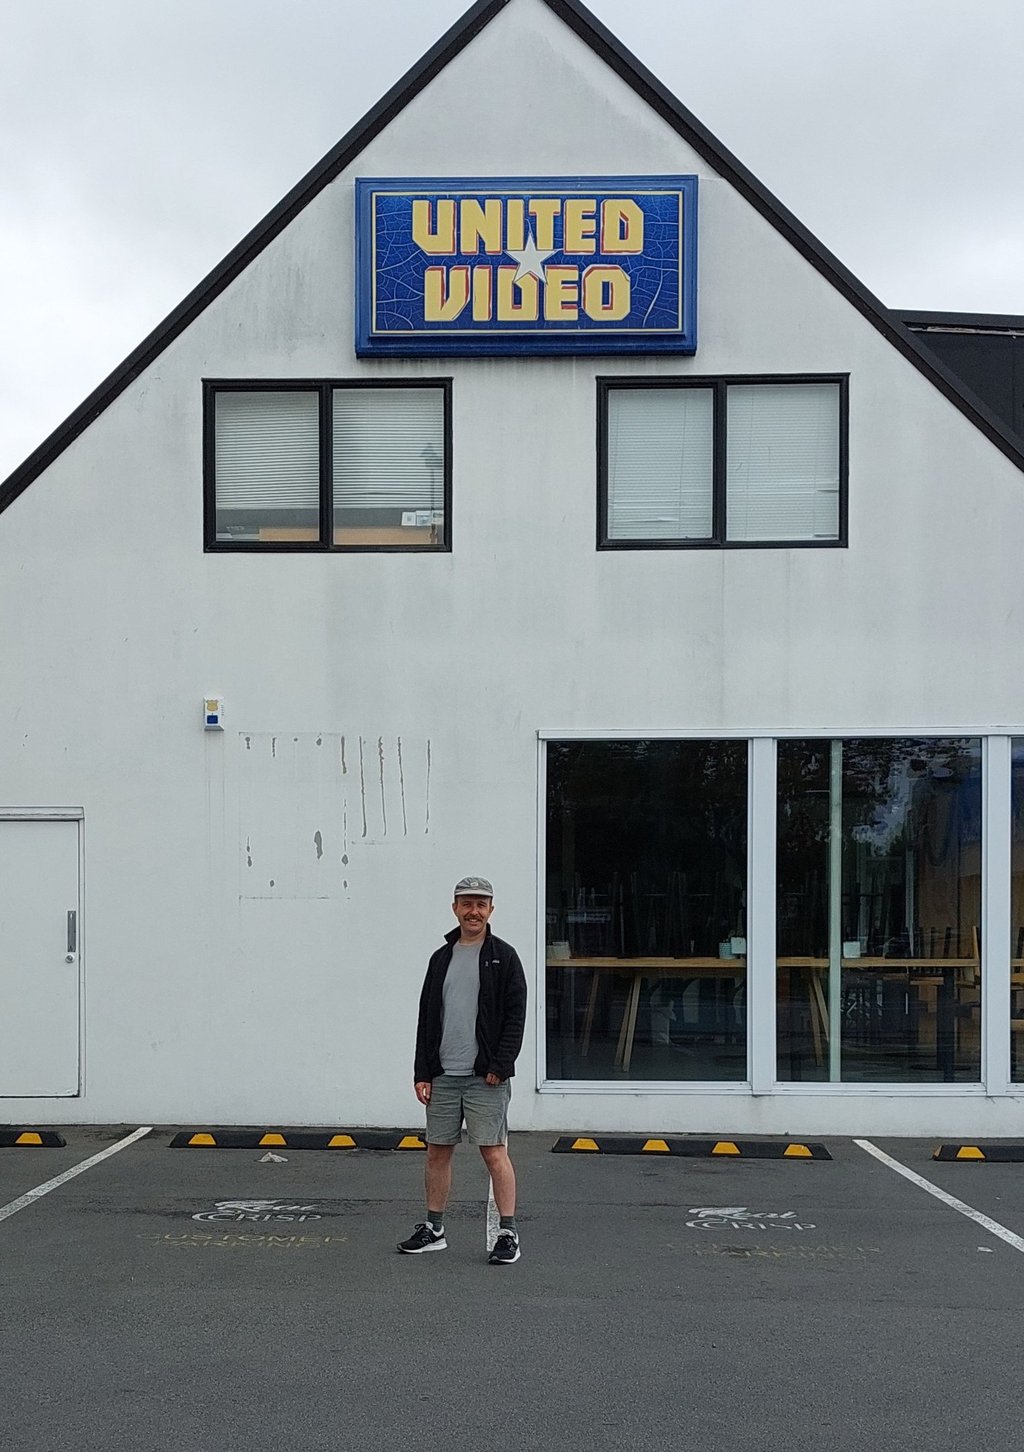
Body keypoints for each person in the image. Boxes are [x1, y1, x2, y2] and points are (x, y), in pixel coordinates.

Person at [397, 876, 527, 1264]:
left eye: (481, 904)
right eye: (467, 903)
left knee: (494, 1153)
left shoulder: (504, 957)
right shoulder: (441, 958)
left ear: (491, 910)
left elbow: (516, 1016)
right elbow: (426, 1018)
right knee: (437, 1153)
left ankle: (508, 1232)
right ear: (455, 908)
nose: (474, 911)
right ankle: (434, 1229)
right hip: (443, 1075)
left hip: (486, 1077)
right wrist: (422, 1072)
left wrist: (500, 1065)